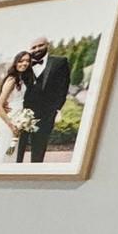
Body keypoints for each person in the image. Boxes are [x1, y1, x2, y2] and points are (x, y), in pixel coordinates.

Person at [18, 34, 72, 162]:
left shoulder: (60, 62)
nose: (37, 49)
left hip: (46, 114)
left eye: (40, 45)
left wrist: (56, 109)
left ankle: (34, 174)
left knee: (39, 149)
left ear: (47, 45)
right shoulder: (24, 64)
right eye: (33, 47)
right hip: (22, 113)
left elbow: (63, 87)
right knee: (16, 148)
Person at [0, 50, 34, 166]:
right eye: (21, 61)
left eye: (27, 61)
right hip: (9, 120)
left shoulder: (22, 79)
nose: (24, 63)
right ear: (15, 63)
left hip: (18, 119)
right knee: (3, 150)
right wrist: (11, 126)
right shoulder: (12, 80)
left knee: (10, 152)